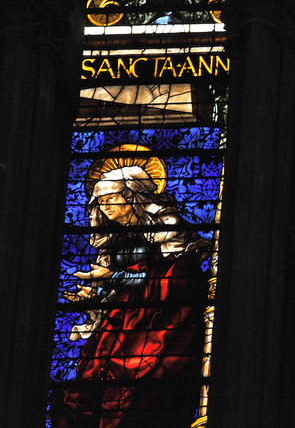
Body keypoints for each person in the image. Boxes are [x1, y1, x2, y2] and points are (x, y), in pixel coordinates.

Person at [50, 149, 210, 428]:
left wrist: (114, 278)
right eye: (100, 202)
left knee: (140, 389)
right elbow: (126, 281)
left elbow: (173, 282)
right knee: (94, 374)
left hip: (165, 323)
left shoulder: (168, 229)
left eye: (112, 198)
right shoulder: (119, 239)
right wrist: (97, 294)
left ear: (133, 195)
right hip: (127, 321)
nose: (106, 207)